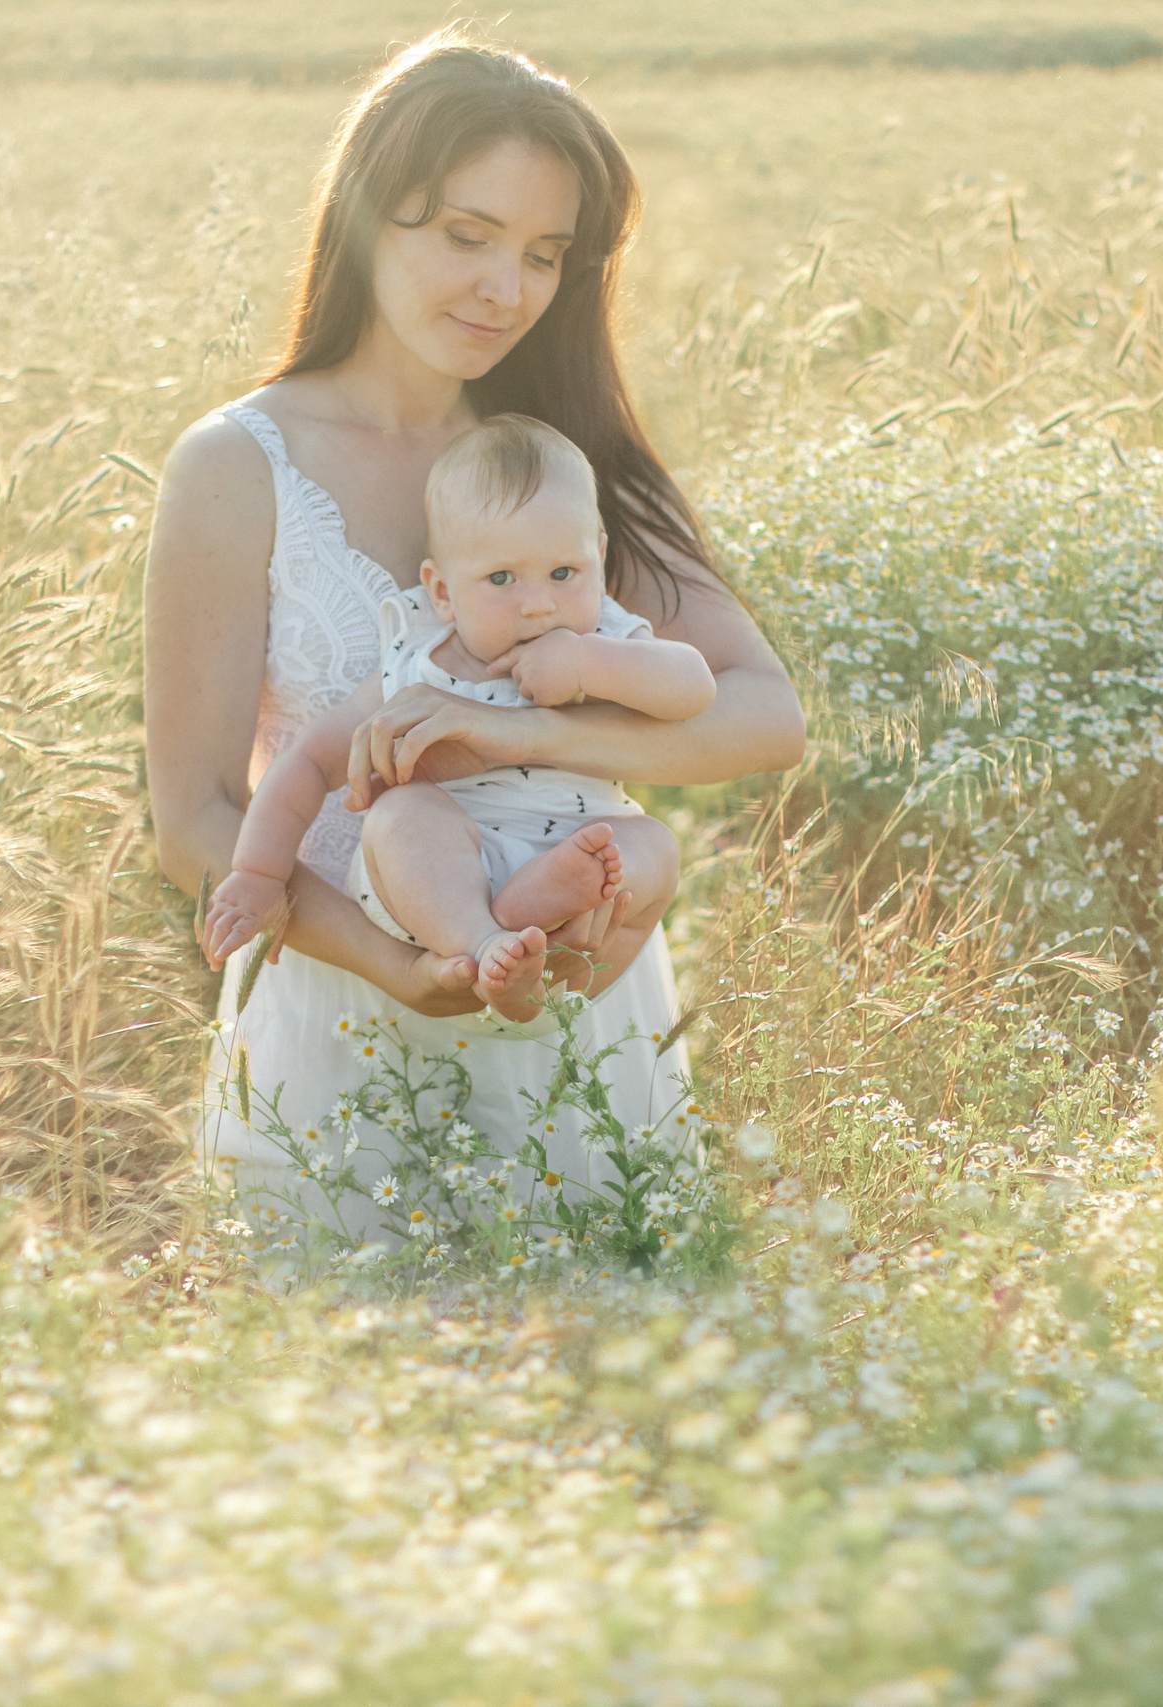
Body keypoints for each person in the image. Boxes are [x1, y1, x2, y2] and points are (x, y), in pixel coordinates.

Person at [142, 32, 805, 1239]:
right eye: (466, 236)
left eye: (544, 254)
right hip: (329, 1018)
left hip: (567, 1004)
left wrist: (517, 735)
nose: (507, 290)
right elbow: (192, 814)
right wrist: (394, 963)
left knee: (596, 1388)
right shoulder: (237, 467)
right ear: (364, 212)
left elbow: (768, 716)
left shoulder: (563, 463)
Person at [197, 414, 713, 1025]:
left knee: (655, 845)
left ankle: (544, 962)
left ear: (597, 557)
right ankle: (487, 941)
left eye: (564, 572)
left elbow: (694, 687)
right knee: (401, 813)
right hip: (443, 883)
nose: (539, 602)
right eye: (500, 578)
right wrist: (258, 872)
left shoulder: (604, 638)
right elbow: (308, 761)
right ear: (441, 591)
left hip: (580, 858)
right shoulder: (417, 665)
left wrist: (589, 663)